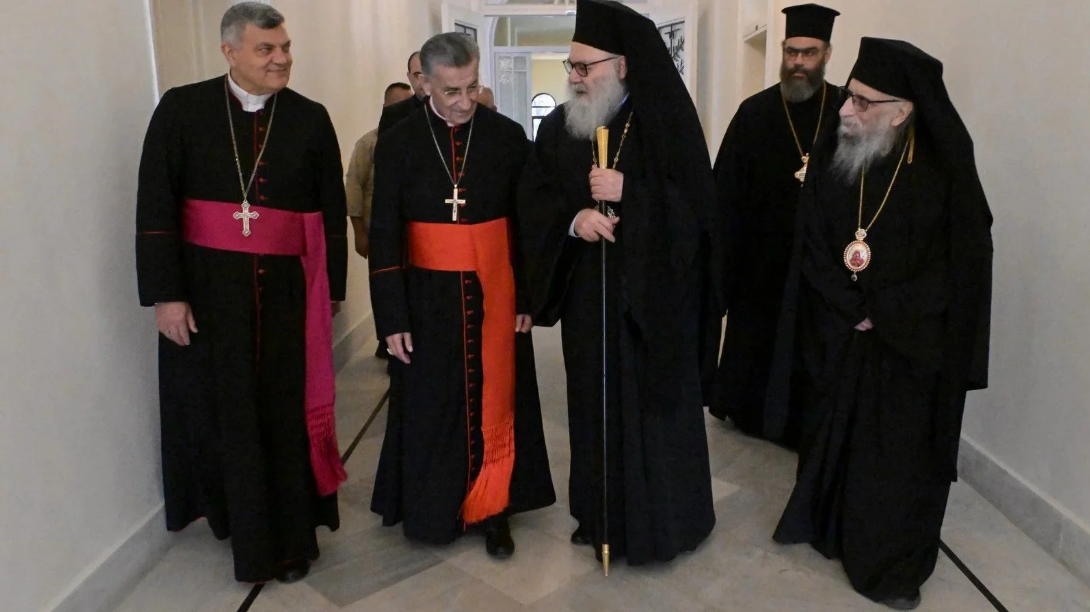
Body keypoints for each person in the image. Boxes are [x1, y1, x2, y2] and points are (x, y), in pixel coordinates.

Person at [769, 38, 993, 610]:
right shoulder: (840, 152)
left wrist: (881, 312)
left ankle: (888, 564)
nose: (845, 110)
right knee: (832, 434)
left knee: (891, 461)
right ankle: (828, 526)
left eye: (864, 103)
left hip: (906, 347)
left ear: (903, 110)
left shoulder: (943, 175)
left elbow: (958, 270)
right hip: (841, 330)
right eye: (849, 96)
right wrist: (846, 306)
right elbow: (814, 237)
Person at [135, 2, 348, 584]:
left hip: (286, 297)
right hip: (210, 297)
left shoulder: (309, 117)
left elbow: (330, 210)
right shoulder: (182, 109)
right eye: (265, 50)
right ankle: (243, 530)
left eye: (284, 48)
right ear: (230, 52)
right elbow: (155, 207)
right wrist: (166, 295)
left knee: (283, 413)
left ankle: (290, 538)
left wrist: (330, 292)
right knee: (225, 415)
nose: (281, 59)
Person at [517, 0, 721, 565]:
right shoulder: (559, 128)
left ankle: (666, 520)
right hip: (587, 297)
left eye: (587, 67)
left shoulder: (665, 124)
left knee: (652, 410)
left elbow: (699, 215)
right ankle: (599, 512)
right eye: (571, 67)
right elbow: (536, 204)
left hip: (653, 303)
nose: (576, 78)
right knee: (591, 405)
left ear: (623, 66)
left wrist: (633, 192)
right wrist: (574, 220)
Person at [368, 32, 555, 558]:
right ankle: (436, 508)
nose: (464, 101)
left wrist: (527, 297)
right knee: (434, 402)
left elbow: (528, 224)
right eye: (451, 90)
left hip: (495, 289)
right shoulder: (400, 141)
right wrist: (391, 315)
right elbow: (385, 231)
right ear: (424, 82)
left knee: (496, 397)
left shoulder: (507, 136)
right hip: (426, 298)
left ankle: (495, 509)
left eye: (472, 87)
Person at [709, 3, 841, 446]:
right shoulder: (754, 113)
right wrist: (721, 273)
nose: (798, 62)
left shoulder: (846, 112)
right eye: (792, 52)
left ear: (826, 55)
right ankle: (750, 411)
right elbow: (724, 194)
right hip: (761, 260)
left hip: (823, 263)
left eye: (809, 53)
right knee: (760, 340)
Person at [346, 82, 414, 358]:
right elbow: (353, 186)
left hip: (407, 233)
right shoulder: (369, 143)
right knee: (383, 285)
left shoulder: (413, 140)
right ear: (386, 107)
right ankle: (385, 338)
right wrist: (359, 232)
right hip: (378, 231)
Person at [377, 51, 428, 134]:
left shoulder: (452, 111)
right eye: (417, 74)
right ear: (409, 77)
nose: (423, 80)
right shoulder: (393, 115)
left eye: (428, 74)